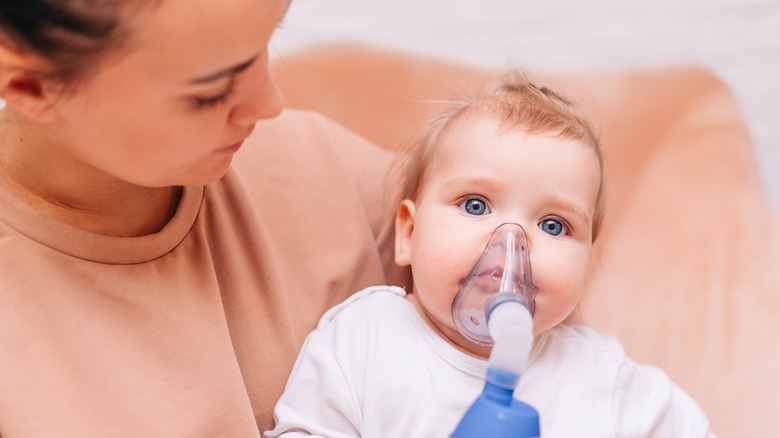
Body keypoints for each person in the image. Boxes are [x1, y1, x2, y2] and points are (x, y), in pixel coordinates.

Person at [0, 0, 409, 436]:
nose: (270, 103)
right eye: (209, 93)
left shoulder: (328, 169)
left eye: (263, 45)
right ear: (30, 87)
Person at [264, 74, 715, 437]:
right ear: (410, 233)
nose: (511, 243)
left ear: (586, 264)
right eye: (476, 205)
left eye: (553, 225)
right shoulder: (363, 340)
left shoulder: (602, 378)